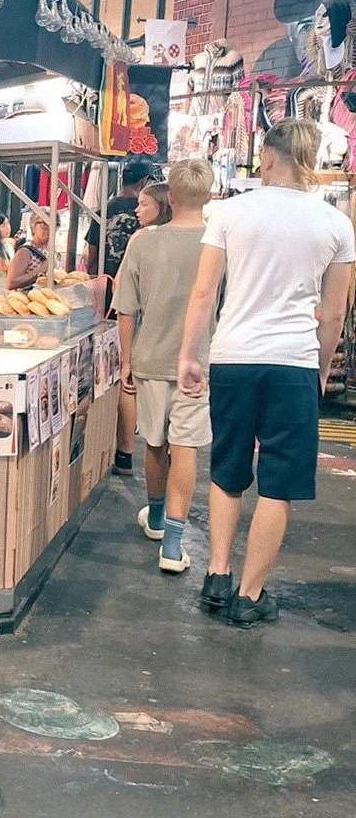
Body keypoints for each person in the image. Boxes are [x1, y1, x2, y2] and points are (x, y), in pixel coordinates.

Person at [177, 119, 355, 626]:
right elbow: (334, 314)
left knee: (228, 469)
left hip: (233, 357)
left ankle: (217, 576)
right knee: (278, 483)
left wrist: (189, 354)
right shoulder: (336, 224)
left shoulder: (230, 212)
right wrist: (319, 370)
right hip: (293, 362)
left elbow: (204, 292)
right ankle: (250, 596)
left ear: (269, 157)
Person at [114, 158, 215, 575]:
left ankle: (156, 519)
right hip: (201, 363)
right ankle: (172, 547)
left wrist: (125, 360)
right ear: (208, 196)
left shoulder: (143, 242)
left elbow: (126, 308)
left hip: (151, 358)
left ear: (169, 197)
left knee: (155, 443)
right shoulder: (219, 243)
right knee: (186, 447)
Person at [112, 170, 167, 476]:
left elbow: (123, 291)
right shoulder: (192, 236)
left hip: (141, 325)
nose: (136, 210)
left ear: (162, 206)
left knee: (129, 384)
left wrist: (125, 359)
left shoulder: (142, 239)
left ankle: (125, 453)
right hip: (170, 332)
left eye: (144, 204)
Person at [8, 215, 49, 289]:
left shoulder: (54, 252)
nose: (48, 228)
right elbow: (11, 283)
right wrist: (41, 270)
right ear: (33, 227)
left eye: (54, 224)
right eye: (44, 224)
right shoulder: (25, 251)